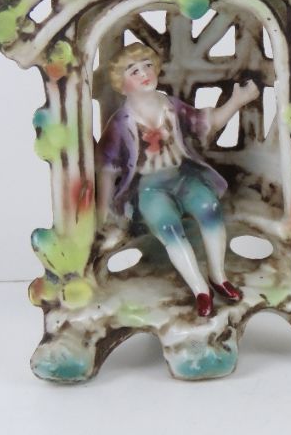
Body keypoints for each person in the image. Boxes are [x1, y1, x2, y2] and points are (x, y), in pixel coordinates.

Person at [96, 43, 260, 316]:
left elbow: (208, 123)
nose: (144, 73)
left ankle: (219, 277)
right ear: (121, 84)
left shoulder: (171, 106)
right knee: (168, 226)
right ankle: (200, 290)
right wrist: (103, 209)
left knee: (210, 207)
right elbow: (107, 168)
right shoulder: (121, 123)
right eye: (134, 71)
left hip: (182, 176)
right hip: (150, 187)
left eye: (148, 65)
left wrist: (237, 101)